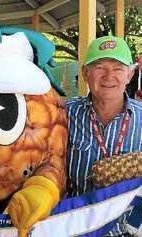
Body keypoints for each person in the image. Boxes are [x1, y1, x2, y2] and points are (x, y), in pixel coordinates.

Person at [66, 35, 142, 236]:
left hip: (128, 231)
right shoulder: (64, 114)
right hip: (75, 229)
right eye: (100, 67)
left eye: (118, 68)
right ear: (85, 73)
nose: (109, 76)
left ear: (130, 75)